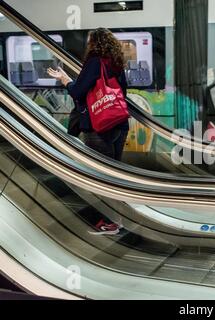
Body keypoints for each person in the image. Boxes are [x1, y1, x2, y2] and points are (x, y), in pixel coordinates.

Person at [47, 28, 129, 235]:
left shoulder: (94, 61)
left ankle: (108, 222)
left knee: (101, 177)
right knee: (114, 175)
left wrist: (65, 80)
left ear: (94, 43)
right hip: (118, 123)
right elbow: (123, 91)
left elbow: (77, 91)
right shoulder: (116, 62)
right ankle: (118, 219)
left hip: (98, 127)